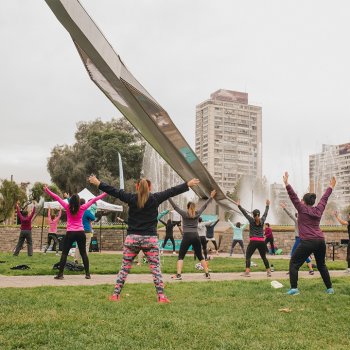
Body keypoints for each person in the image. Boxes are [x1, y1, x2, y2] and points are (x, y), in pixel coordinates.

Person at [89, 175, 199, 303]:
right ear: (150, 187)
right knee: (155, 269)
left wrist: (98, 183)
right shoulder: (155, 198)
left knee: (124, 268)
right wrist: (187, 184)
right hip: (150, 240)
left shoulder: (131, 198)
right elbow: (171, 191)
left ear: (137, 187)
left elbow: (114, 191)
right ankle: (161, 297)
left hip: (132, 239)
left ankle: (115, 295)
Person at [283, 171, 336, 295]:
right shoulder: (318, 209)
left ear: (304, 202)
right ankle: (330, 289)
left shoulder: (301, 208)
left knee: (294, 263)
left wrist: (286, 183)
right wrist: (331, 187)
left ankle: (294, 289)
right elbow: (324, 199)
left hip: (308, 241)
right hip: (320, 240)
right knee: (321, 265)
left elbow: (293, 196)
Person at [44, 186, 107, 280]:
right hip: (81, 233)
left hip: (70, 233)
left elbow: (57, 197)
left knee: (64, 253)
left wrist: (47, 190)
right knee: (83, 253)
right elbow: (94, 199)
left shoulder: (67, 207)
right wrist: (106, 192)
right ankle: (87, 274)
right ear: (78, 201)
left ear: (70, 201)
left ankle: (60, 274)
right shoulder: (83, 207)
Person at [168, 190, 216, 280]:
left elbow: (175, 206)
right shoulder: (197, 213)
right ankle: (207, 274)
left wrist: (168, 196)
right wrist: (211, 197)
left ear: (187, 207)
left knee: (181, 256)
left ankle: (178, 275)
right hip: (196, 236)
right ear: (194, 207)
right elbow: (205, 206)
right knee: (200, 256)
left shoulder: (184, 213)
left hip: (187, 236)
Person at [237, 199, 271, 277]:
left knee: (248, 256)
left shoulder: (251, 220)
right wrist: (267, 205)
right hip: (262, 241)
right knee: (264, 257)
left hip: (253, 241)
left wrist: (239, 205)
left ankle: (247, 273)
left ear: (253, 215)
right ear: (259, 215)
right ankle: (268, 272)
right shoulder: (262, 220)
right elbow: (265, 214)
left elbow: (244, 213)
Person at [280, 202, 314, 275]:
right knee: (304, 255)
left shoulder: (297, 221)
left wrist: (284, 208)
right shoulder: (305, 222)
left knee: (292, 254)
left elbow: (290, 215)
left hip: (299, 239)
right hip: (303, 239)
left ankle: (292, 270)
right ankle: (311, 270)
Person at [74, 198, 96, 265]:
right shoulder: (86, 211)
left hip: (78, 230)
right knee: (86, 246)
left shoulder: (76, 211)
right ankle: (84, 262)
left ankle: (76, 260)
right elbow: (93, 218)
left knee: (78, 246)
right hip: (86, 230)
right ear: (85, 203)